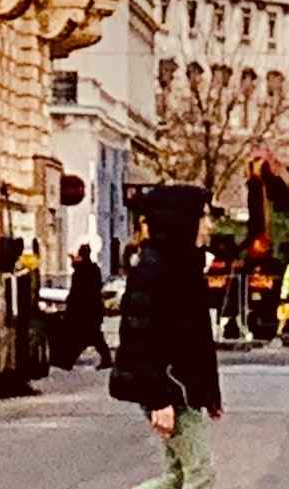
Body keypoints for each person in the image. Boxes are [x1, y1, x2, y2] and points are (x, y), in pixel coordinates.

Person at [114, 184, 223, 488]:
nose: (209, 225)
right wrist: (158, 398)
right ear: (182, 220)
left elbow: (196, 342)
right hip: (171, 389)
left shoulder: (183, 266)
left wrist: (209, 395)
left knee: (177, 478)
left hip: (182, 389)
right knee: (200, 476)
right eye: (203, 217)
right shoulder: (155, 270)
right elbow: (140, 339)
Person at [54, 244, 111, 371]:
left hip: (83, 310)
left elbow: (76, 293)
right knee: (90, 337)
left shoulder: (80, 271)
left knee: (81, 338)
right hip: (92, 309)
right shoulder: (93, 269)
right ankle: (105, 360)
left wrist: (70, 307)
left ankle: (67, 361)